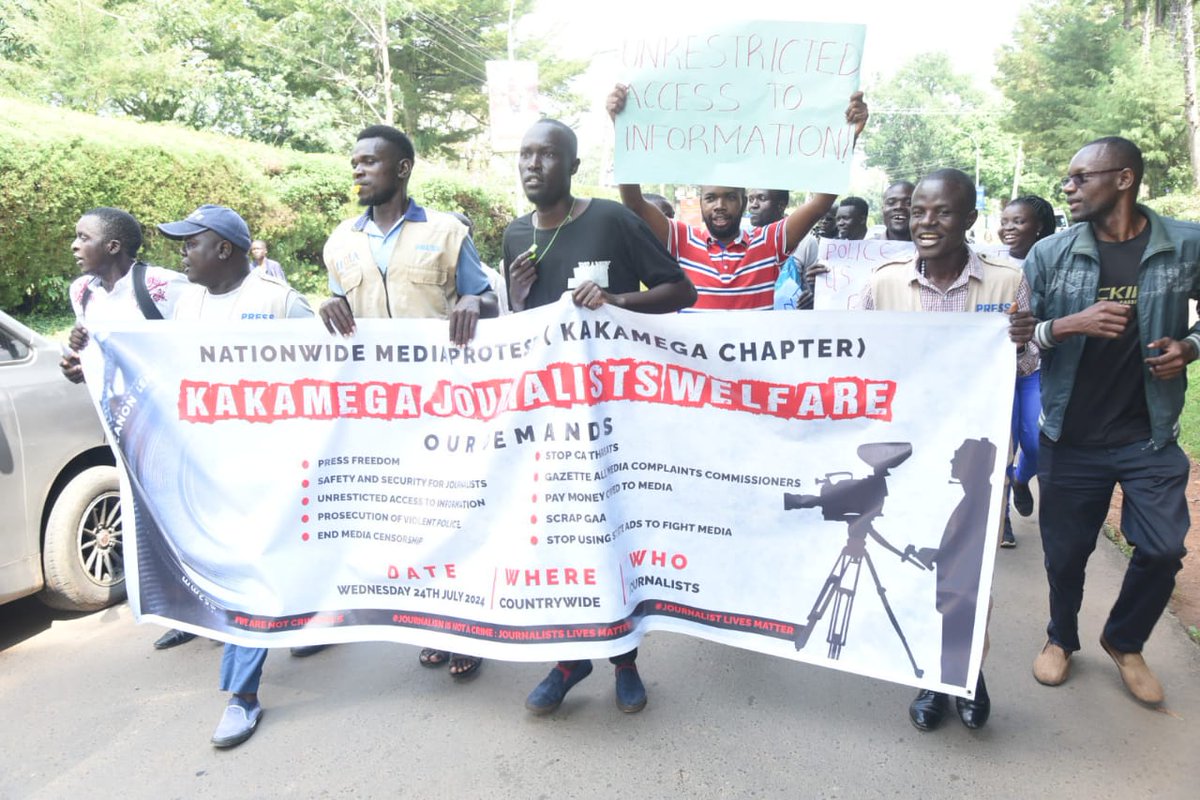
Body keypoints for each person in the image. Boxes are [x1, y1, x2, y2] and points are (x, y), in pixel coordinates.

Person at [504, 118, 695, 715]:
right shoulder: (513, 235)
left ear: (572, 166)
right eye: (525, 155)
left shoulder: (611, 220)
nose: (534, 165)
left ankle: (625, 660)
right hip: (548, 421)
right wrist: (514, 295)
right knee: (557, 539)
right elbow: (522, 332)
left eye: (547, 155)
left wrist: (616, 301)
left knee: (612, 534)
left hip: (614, 417)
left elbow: (680, 291)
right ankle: (568, 658)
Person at [1022, 137, 1200, 706]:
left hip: (1148, 435)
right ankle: (1060, 639)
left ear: (1124, 179)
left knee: (1164, 548)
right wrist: (1069, 324)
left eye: (1080, 177)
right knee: (1066, 553)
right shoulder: (1049, 254)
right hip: (1069, 437)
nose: (1067, 188)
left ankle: (1124, 641)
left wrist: (1190, 347)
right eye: (1067, 178)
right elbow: (1021, 344)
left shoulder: (1186, 244)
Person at [861, 168, 1037, 732]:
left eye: (941, 213)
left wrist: (1020, 343)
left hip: (976, 463)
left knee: (969, 574)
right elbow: (862, 364)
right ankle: (933, 679)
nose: (926, 223)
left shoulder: (1008, 282)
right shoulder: (884, 282)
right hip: (909, 455)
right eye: (917, 212)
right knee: (926, 573)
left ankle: (967, 674)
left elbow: (1030, 365)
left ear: (968, 220)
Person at [320, 124, 497, 679]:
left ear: (401, 169)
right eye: (354, 163)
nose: (358, 171)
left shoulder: (445, 231)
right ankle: (432, 623)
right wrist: (325, 307)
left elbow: (487, 297)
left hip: (447, 404)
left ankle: (467, 627)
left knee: (455, 515)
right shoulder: (338, 242)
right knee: (410, 521)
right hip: (381, 412)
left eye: (370, 161)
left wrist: (473, 299)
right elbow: (333, 312)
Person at [156, 204, 314, 749]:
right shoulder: (185, 303)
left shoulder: (280, 303)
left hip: (270, 468)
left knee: (251, 569)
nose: (181, 254)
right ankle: (310, 619)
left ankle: (242, 696)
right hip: (207, 468)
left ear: (223, 249)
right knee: (263, 562)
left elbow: (334, 370)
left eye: (190, 243)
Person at [58, 207, 193, 652]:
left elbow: (200, 342)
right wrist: (75, 361)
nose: (75, 246)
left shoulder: (162, 286)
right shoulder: (82, 293)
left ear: (113, 246)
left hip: (180, 428)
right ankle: (186, 611)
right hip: (128, 430)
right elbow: (89, 353)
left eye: (84, 238)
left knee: (195, 514)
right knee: (159, 521)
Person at [606, 85, 868, 311]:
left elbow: (819, 204)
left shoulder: (768, 243)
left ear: (743, 202)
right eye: (711, 198)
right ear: (701, 203)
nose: (719, 206)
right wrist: (623, 129)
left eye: (730, 197)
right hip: (695, 369)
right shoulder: (683, 240)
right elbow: (635, 205)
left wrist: (847, 138)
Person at [997, 195, 1057, 547]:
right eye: (1005, 221)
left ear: (1039, 228)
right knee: (1004, 442)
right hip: (1000, 371)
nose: (1009, 228)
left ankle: (1022, 479)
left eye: (1018, 222)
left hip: (1034, 370)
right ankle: (1001, 517)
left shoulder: (1051, 261)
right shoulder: (989, 262)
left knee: (1035, 444)